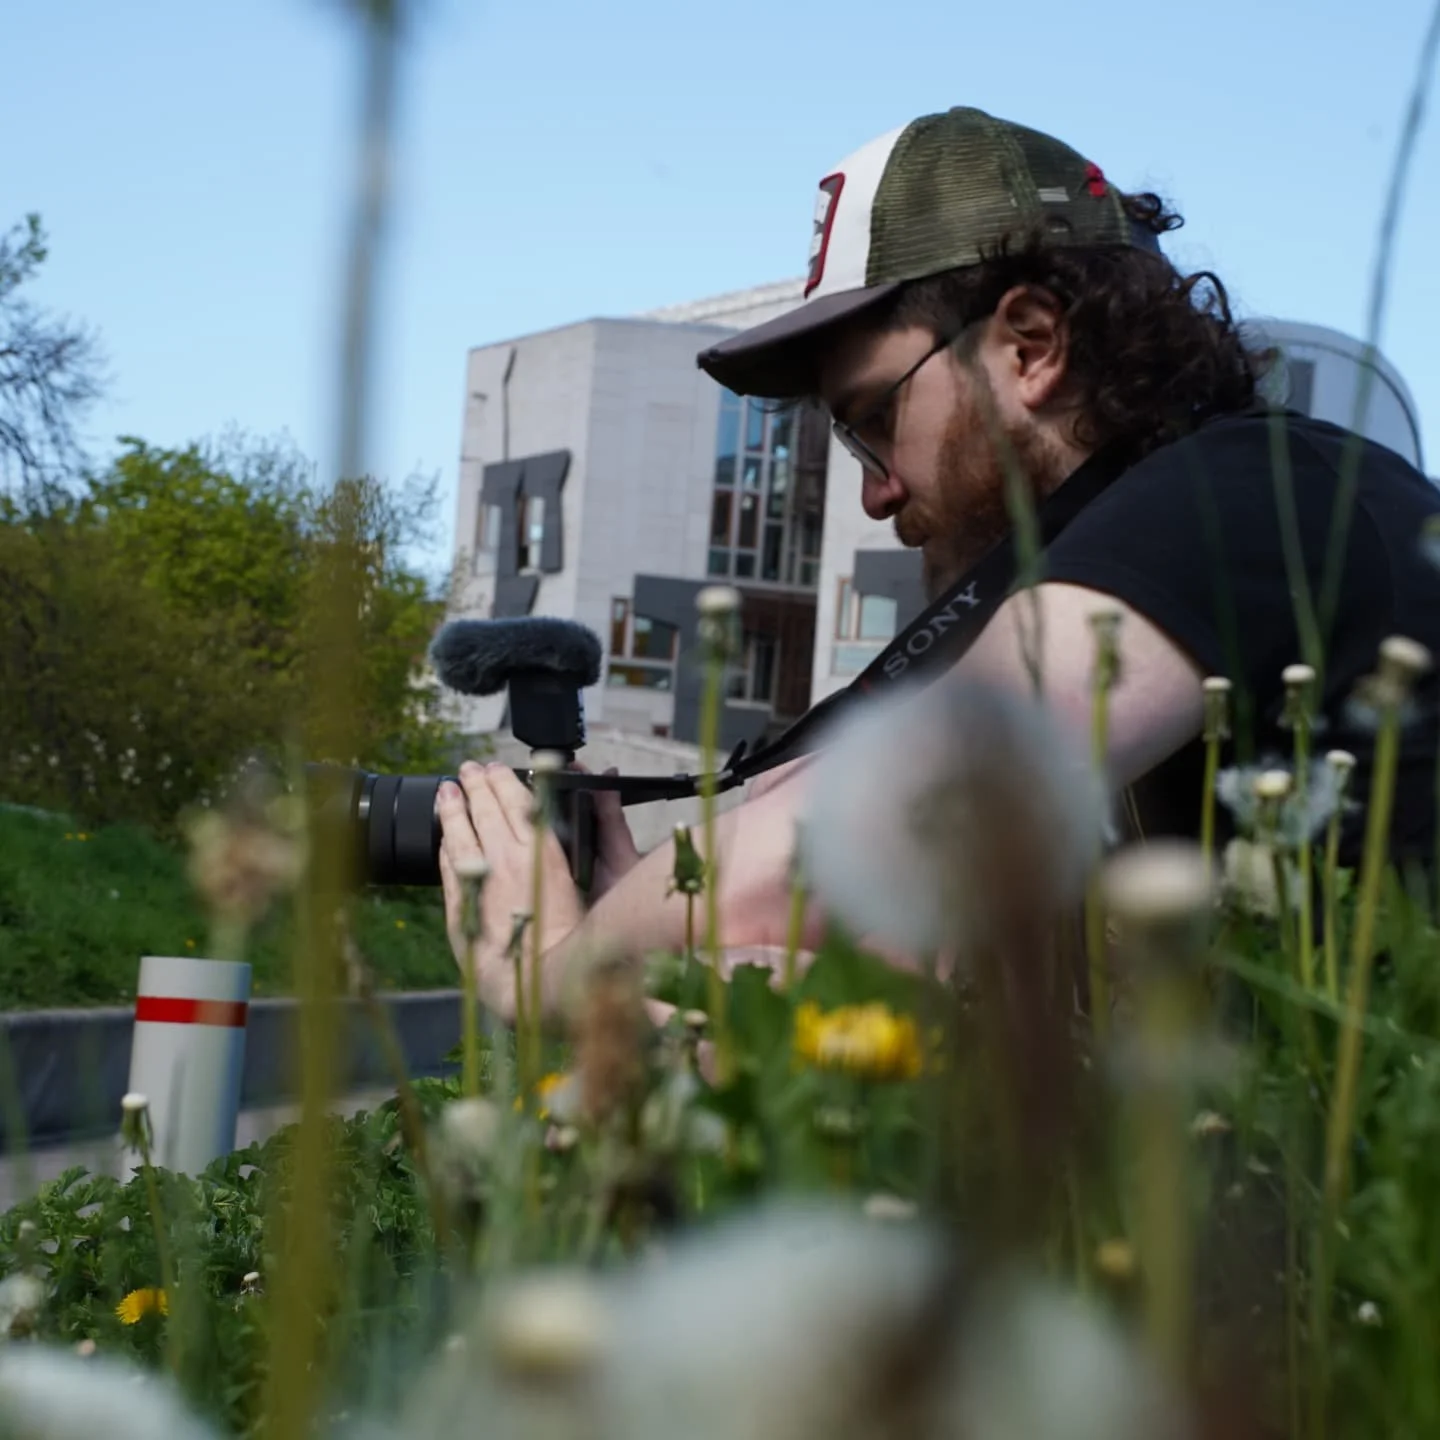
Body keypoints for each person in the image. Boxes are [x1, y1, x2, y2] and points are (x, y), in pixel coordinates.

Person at [436, 105, 1440, 1022]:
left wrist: (552, 974)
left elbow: (849, 839)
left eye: (876, 420)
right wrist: (642, 947)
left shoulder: (1252, 495)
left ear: (1032, 345)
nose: (875, 491)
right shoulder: (1175, 617)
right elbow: (857, 1014)